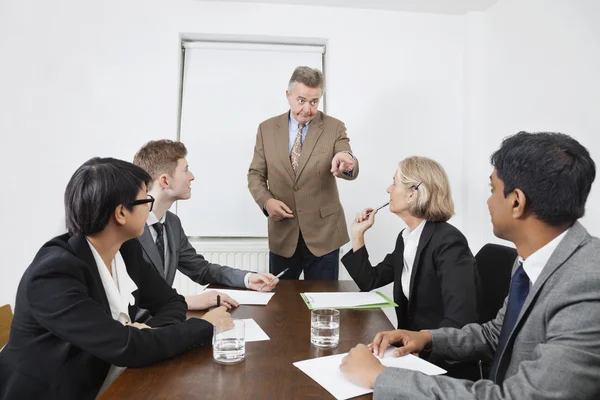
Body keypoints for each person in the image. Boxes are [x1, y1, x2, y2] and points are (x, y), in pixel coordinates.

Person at [340, 132, 600, 400]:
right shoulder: (531, 264)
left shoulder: (586, 281)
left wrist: (381, 377)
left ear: (516, 202)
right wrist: (427, 339)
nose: (488, 202)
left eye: (492, 190)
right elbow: (494, 334)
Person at [0, 158, 230, 400]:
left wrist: (147, 335)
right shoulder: (54, 274)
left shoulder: (125, 249)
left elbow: (170, 301)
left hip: (108, 379)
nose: (150, 209)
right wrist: (205, 326)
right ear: (121, 213)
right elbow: (126, 346)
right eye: (146, 201)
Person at [342, 156, 481, 378]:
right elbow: (369, 280)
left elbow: (460, 321)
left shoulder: (448, 242)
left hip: (441, 363)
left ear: (413, 192)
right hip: (412, 355)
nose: (388, 189)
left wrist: (417, 351)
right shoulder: (407, 238)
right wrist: (357, 235)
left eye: (394, 182)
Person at [133, 140, 278, 312]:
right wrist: (185, 302)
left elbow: (201, 269)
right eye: (185, 170)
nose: (192, 176)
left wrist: (247, 278)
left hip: (164, 321)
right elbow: (128, 300)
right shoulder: (127, 227)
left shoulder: (172, 223)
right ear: (165, 181)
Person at [248, 66, 359, 280]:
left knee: (323, 303)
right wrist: (266, 202)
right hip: (283, 232)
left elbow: (345, 153)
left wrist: (348, 161)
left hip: (324, 234)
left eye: (314, 101)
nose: (307, 109)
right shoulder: (266, 129)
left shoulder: (334, 127)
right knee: (280, 305)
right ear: (288, 96)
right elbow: (255, 174)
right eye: (301, 100)